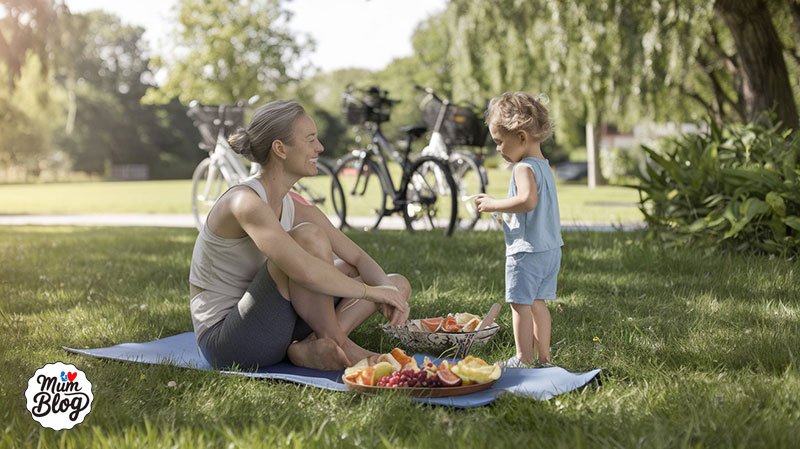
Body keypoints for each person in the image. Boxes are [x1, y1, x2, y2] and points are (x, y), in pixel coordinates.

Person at [189, 99, 411, 371]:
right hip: (229, 342)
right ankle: (338, 342)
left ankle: (311, 347)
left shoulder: (293, 203)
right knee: (308, 238)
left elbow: (358, 257)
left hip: (274, 323)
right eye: (310, 140)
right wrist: (371, 293)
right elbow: (306, 272)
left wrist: (389, 293)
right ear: (280, 149)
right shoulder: (244, 202)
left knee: (396, 283)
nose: (320, 148)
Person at [473, 92, 564, 368]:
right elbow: (535, 210)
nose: (498, 148)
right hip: (549, 250)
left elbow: (527, 201)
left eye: (500, 141)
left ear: (522, 137)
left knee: (519, 305)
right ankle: (545, 358)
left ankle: (523, 358)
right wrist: (505, 217)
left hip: (526, 252)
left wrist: (493, 204)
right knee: (539, 304)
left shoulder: (523, 168)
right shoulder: (544, 167)